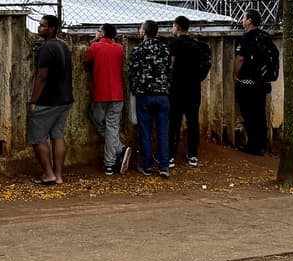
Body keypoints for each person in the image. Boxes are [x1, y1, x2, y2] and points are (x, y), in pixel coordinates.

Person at [28, 14, 73, 185]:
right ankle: (59, 175)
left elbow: (41, 77)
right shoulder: (63, 45)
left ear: (52, 28)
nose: (39, 28)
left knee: (38, 137)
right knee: (58, 135)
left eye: (43, 25)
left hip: (48, 100)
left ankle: (48, 174)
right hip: (65, 99)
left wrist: (33, 101)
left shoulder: (46, 49)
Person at [83, 23, 132, 175]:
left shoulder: (95, 47)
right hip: (117, 94)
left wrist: (94, 41)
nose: (96, 32)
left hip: (100, 94)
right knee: (112, 127)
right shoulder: (119, 48)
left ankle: (114, 157)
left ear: (102, 34)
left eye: (98, 30)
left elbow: (86, 62)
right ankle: (114, 156)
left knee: (97, 120)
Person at [128, 19, 172, 177]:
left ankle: (146, 165)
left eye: (141, 29)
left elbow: (131, 71)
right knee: (162, 132)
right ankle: (164, 166)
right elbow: (169, 69)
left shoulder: (137, 50)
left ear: (144, 32)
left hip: (144, 95)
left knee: (145, 131)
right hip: (162, 95)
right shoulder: (165, 49)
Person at [233, 9, 273, 156]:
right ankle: (262, 145)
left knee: (249, 114)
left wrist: (235, 75)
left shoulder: (246, 38)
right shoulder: (265, 36)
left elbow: (240, 59)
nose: (243, 20)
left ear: (249, 21)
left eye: (244, 18)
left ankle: (253, 145)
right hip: (262, 82)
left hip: (247, 83)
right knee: (260, 114)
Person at [168, 15, 205, 167]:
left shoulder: (174, 44)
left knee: (174, 123)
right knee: (192, 123)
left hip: (177, 88)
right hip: (193, 89)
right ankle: (193, 154)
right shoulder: (197, 45)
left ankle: (170, 155)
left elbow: (171, 64)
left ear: (177, 27)